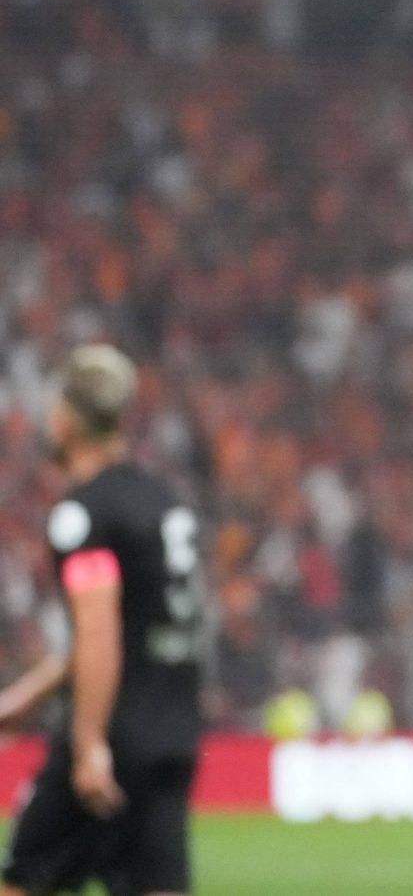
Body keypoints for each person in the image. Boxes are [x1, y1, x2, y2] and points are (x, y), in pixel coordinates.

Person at [0, 345, 206, 896]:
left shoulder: (82, 514)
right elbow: (132, 627)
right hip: (171, 738)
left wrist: (89, 742)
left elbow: (98, 629)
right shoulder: (163, 504)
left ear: (66, 421)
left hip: (113, 737)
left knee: (20, 882)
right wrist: (30, 696)